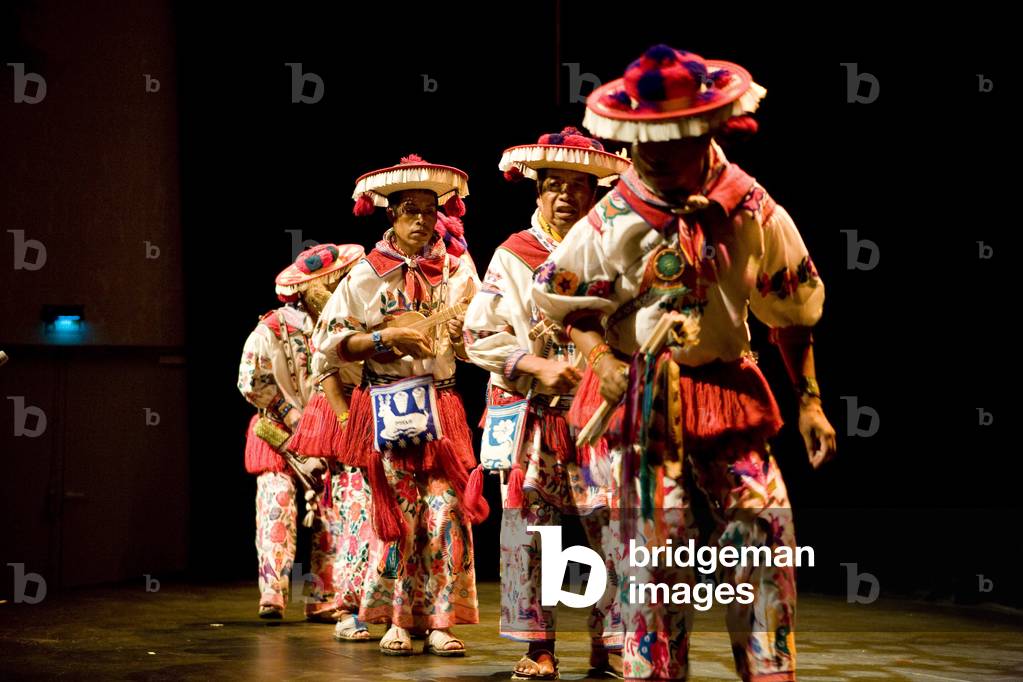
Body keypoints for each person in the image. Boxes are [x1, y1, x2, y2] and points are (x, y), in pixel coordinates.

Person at [532, 45, 838, 681]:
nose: (653, 156)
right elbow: (565, 297)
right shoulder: (612, 217)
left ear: (706, 133)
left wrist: (808, 400)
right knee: (653, 557)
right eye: (641, 143)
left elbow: (791, 305)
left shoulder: (750, 209)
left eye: (669, 142)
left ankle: (769, 672)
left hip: (724, 392)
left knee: (764, 531)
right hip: (634, 405)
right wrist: (598, 356)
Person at [463, 127, 630, 679]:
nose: (564, 195)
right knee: (534, 529)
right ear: (537, 191)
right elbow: (479, 334)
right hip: (533, 412)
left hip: (598, 414)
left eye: (577, 186)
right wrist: (536, 365)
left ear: (594, 193)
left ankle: (611, 644)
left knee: (611, 525)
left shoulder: (612, 249)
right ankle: (538, 646)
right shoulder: (514, 255)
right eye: (553, 185)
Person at [312, 154, 489, 657]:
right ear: (390, 214)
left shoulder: (457, 270)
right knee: (398, 514)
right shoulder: (368, 274)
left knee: (445, 512)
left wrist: (464, 335)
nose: (420, 220)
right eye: (409, 210)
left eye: (429, 211)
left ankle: (439, 620)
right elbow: (328, 342)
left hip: (443, 403)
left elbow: (480, 335)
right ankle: (394, 618)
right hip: (387, 401)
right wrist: (384, 339)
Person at [237, 243, 363, 619]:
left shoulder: (338, 327)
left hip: (323, 430)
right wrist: (292, 419)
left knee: (331, 513)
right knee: (276, 508)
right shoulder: (271, 328)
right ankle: (273, 592)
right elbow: (250, 381)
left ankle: (324, 597)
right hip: (278, 433)